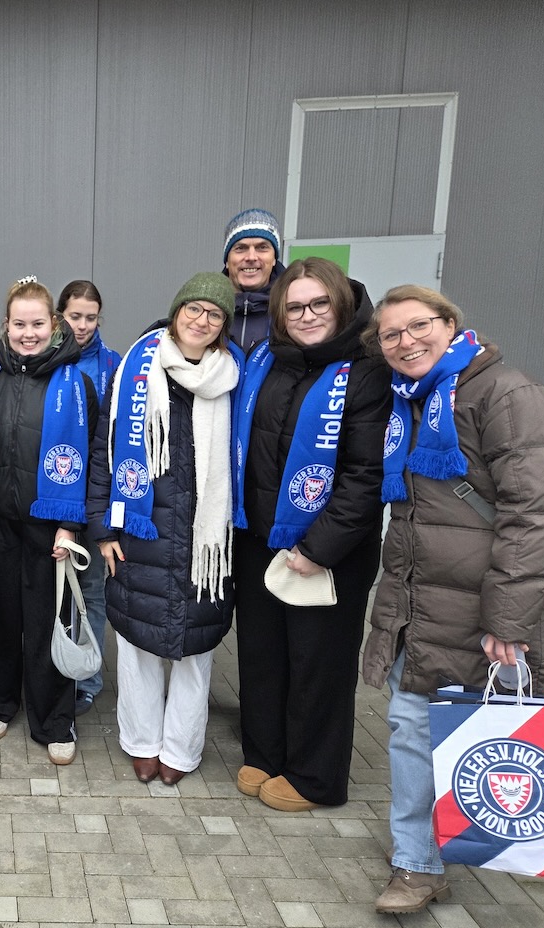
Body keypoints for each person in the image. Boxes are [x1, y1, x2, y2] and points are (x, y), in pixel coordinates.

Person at [361, 285, 544, 913]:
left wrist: (507, 618)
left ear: (451, 324)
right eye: (391, 335)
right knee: (410, 728)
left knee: (491, 730)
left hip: (482, 610)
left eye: (418, 326)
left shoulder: (508, 396)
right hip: (419, 604)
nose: (406, 342)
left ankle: (490, 845)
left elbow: (536, 516)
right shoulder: (415, 401)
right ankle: (417, 861)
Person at [231, 257, 390, 812]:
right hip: (260, 540)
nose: (306, 315)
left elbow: (365, 476)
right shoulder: (268, 362)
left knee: (318, 663)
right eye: (294, 306)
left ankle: (316, 778)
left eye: (319, 304)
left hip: (327, 551)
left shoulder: (367, 370)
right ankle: (265, 754)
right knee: (262, 654)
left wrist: (316, 547)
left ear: (341, 304)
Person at [87, 274, 240, 784]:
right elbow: (103, 455)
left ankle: (180, 749)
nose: (201, 320)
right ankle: (141, 741)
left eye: (213, 315)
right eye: (193, 309)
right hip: (142, 530)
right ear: (176, 312)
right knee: (136, 645)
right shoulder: (136, 369)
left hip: (206, 541)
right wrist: (104, 529)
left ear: (222, 327)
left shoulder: (232, 376)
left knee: (195, 653)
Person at [0, 276, 98, 765]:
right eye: (19, 324)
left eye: (38, 324)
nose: (29, 333)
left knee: (50, 620)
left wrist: (73, 525)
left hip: (53, 526)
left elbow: (91, 459)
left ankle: (53, 719)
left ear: (55, 325)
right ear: (6, 325)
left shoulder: (77, 382)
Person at [57, 279, 122, 716]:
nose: (81, 326)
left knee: (91, 592)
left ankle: (88, 676)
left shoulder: (114, 364)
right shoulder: (44, 357)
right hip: (56, 499)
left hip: (94, 500)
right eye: (74, 316)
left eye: (90, 317)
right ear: (60, 313)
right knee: (58, 593)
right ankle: (55, 667)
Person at [222, 208, 286, 352]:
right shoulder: (205, 308)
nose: (251, 257)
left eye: (262, 248)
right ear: (227, 260)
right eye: (240, 248)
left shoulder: (295, 308)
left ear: (274, 259)